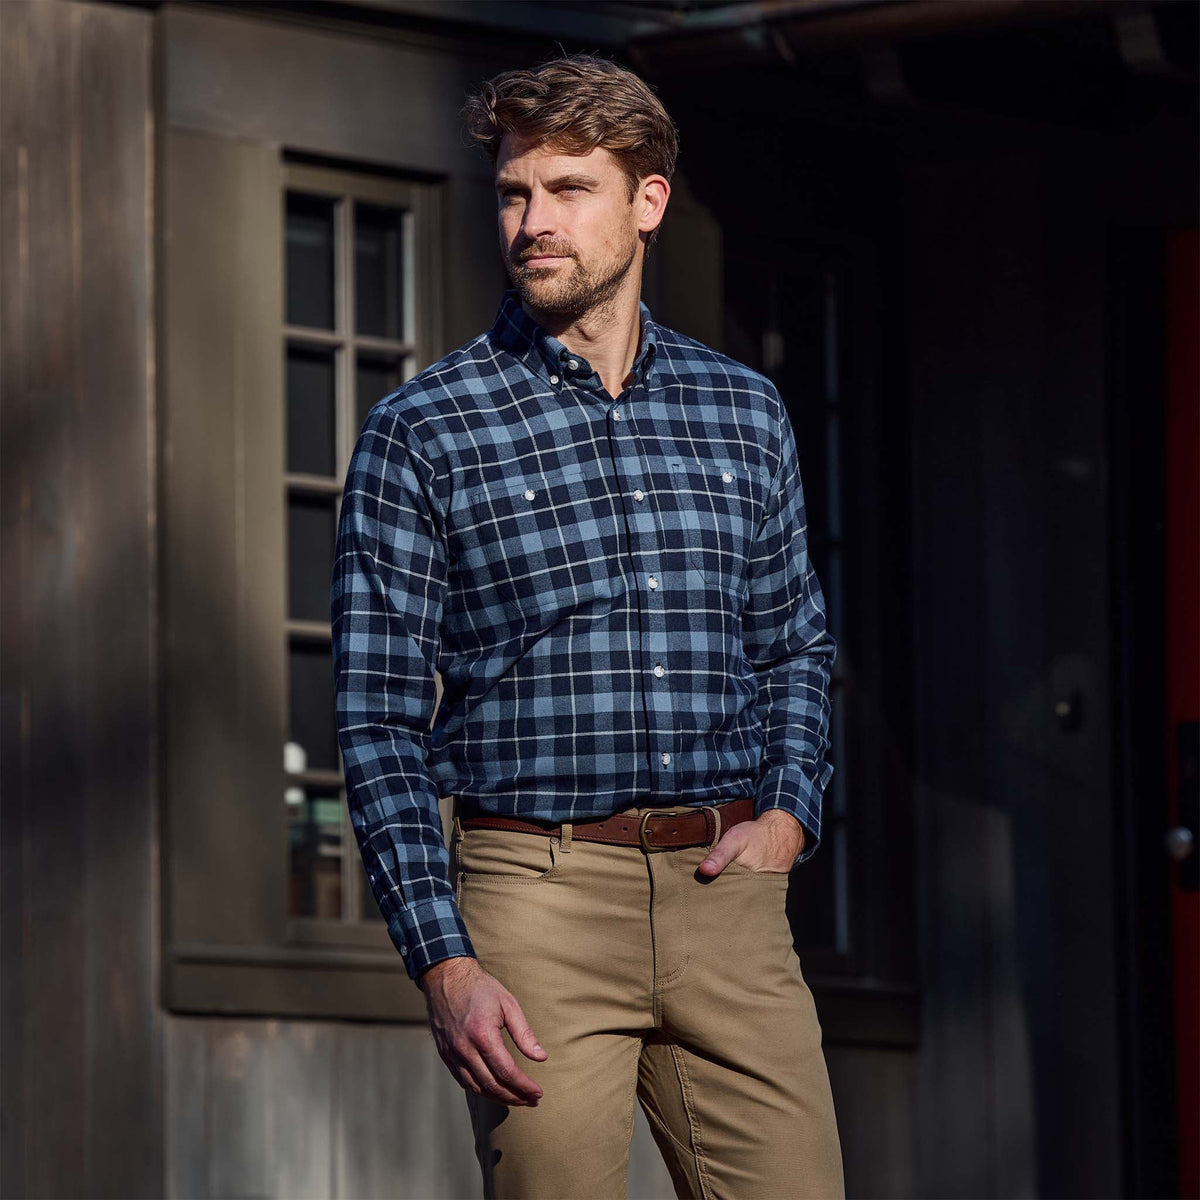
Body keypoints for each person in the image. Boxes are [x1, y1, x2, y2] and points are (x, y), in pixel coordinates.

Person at [331, 51, 844, 1200]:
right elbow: (375, 720)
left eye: (568, 190)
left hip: (729, 898)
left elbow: (794, 646)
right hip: (536, 894)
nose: (532, 223)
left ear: (646, 202)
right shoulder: (425, 431)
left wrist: (789, 817)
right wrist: (445, 960)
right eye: (515, 192)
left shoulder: (741, 411)